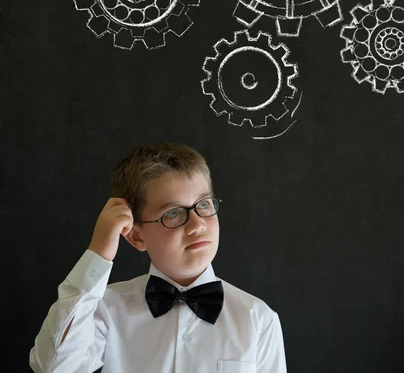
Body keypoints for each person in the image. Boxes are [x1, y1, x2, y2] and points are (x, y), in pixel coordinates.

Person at [29, 142, 287, 372]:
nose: (197, 225)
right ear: (137, 237)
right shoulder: (105, 309)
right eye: (173, 213)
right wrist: (99, 252)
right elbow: (54, 367)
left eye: (204, 204)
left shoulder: (257, 318)